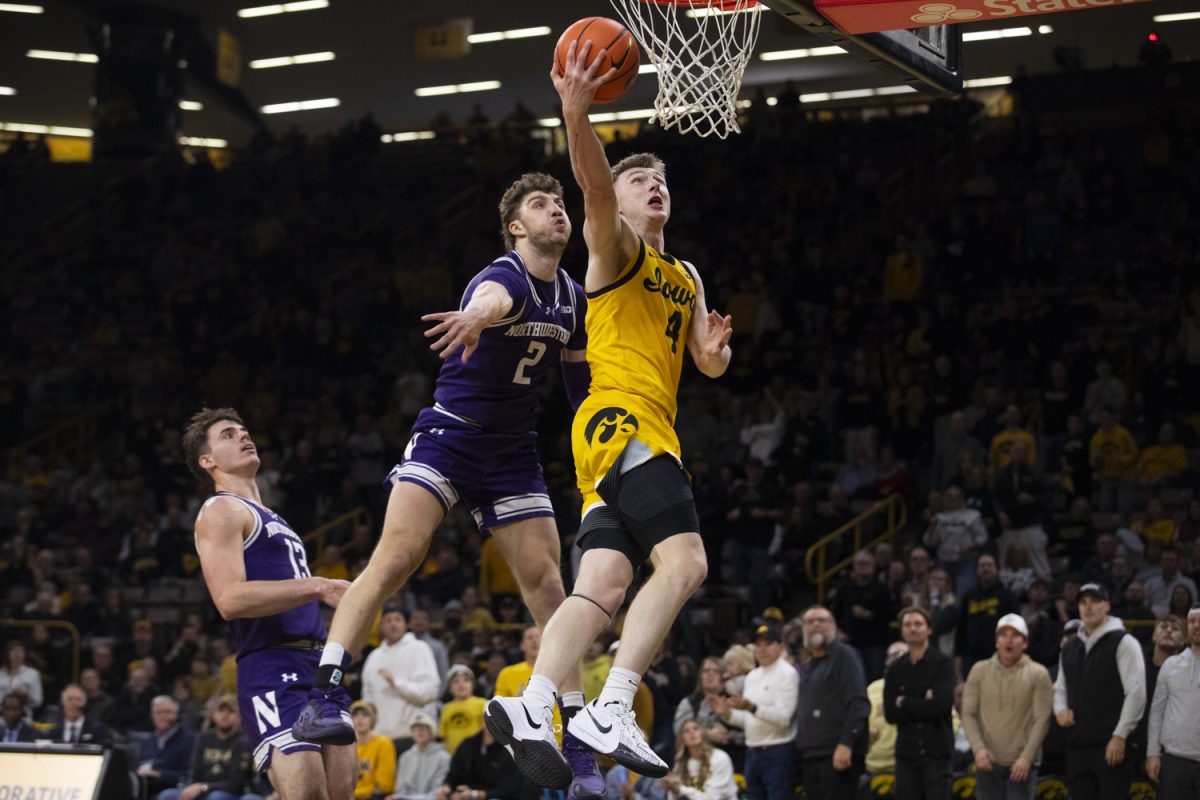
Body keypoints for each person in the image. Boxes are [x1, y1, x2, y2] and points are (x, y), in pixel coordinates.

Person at [293, 171, 600, 798]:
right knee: (397, 558)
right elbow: (488, 302)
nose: (557, 211)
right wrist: (473, 317)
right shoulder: (504, 277)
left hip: (513, 453)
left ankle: (580, 745)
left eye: (561, 203)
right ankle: (323, 692)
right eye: (542, 205)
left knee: (549, 588)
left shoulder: (573, 296)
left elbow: (578, 388)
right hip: (451, 435)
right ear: (517, 227)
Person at [485, 36, 732, 788]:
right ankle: (612, 704)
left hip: (632, 432)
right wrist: (577, 115)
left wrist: (714, 354)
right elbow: (591, 187)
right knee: (687, 561)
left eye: (660, 180)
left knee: (602, 588)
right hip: (620, 422)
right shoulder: (613, 248)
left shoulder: (683, 272)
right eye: (638, 180)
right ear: (618, 203)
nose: (653, 186)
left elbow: (704, 361)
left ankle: (533, 701)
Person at [184, 408, 356, 798]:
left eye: (244, 431)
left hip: (316, 665)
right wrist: (317, 587)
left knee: (341, 793)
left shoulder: (274, 516)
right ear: (207, 461)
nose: (243, 437)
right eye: (228, 434)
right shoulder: (221, 509)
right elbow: (229, 599)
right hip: (271, 664)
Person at [1053, 583, 1146, 800]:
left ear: (1107, 606)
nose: (1089, 607)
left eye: (1095, 601)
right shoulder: (1069, 647)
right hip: (1077, 746)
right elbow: (1060, 690)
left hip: (1111, 745)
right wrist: (1060, 710)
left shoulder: (1124, 642)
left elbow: (1136, 693)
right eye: (1083, 602)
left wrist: (1120, 735)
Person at [961, 614, 1053, 800]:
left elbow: (1042, 719)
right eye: (1003, 635)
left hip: (1022, 766)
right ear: (996, 642)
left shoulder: (1039, 673)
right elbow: (968, 713)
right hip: (987, 762)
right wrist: (978, 749)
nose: (1008, 640)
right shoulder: (979, 670)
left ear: (1025, 643)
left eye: (1015, 635)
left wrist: (1027, 757)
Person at [711, 625, 797, 800]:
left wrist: (751, 707)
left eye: (768, 644)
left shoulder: (788, 674)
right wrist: (727, 714)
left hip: (778, 751)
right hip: (752, 751)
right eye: (758, 644)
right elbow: (749, 721)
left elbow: (784, 718)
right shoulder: (753, 676)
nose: (762, 649)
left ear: (780, 647)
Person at [794, 606, 870, 800]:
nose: (816, 625)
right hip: (812, 756)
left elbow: (858, 703)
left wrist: (846, 744)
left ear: (833, 627)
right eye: (810, 622)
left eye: (822, 620)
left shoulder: (844, 655)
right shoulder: (808, 666)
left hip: (837, 754)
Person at [884, 608, 955, 800]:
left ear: (929, 629)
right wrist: (923, 700)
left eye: (918, 624)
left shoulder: (943, 663)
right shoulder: (894, 669)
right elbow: (890, 714)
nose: (912, 629)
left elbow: (940, 707)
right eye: (907, 625)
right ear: (901, 631)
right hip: (906, 754)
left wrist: (904, 701)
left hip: (937, 752)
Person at [361, 606, 439, 752]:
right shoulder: (373, 657)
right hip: (379, 740)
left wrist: (396, 683)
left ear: (406, 624)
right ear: (381, 627)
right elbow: (368, 701)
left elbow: (430, 692)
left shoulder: (419, 649)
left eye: (398, 619)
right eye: (388, 620)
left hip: (412, 739)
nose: (393, 624)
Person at [1145, 605, 1200, 799]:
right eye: (1192, 621)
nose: (1197, 626)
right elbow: (1157, 712)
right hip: (1174, 759)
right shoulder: (1170, 665)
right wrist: (1152, 752)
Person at [156, 696, 257, 800]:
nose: (225, 715)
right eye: (221, 711)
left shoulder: (244, 741)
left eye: (231, 712)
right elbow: (194, 773)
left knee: (216, 797)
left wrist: (203, 787)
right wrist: (194, 788)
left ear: (239, 717)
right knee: (167, 795)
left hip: (229, 794)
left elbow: (235, 785)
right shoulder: (204, 738)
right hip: (202, 790)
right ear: (213, 715)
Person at [658, 719, 738, 800]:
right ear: (682, 739)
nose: (692, 732)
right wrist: (673, 788)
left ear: (703, 733)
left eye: (696, 728)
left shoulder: (720, 758)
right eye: (686, 731)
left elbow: (712, 798)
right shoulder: (680, 763)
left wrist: (680, 788)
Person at [137, 696, 197, 797]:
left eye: (167, 712)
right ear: (152, 715)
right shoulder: (148, 740)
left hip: (172, 790)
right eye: (158, 712)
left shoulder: (189, 740)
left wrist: (159, 774)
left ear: (177, 715)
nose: (163, 716)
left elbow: (188, 776)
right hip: (146, 787)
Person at [866, 642, 909, 777]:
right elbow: (858, 719)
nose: (895, 658)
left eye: (901, 654)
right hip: (874, 765)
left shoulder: (923, 683)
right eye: (891, 655)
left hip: (910, 764)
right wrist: (863, 733)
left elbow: (952, 721)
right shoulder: (873, 688)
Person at [390, 712, 450, 800]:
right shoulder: (405, 757)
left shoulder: (443, 757)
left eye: (424, 728)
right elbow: (400, 790)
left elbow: (438, 793)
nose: (419, 731)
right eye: (415, 728)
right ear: (411, 733)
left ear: (431, 731)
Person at [351, 701, 396, 800]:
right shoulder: (347, 747)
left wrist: (354, 794)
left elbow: (384, 786)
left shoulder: (384, 743)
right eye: (355, 715)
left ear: (373, 720)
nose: (360, 718)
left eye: (365, 715)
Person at [440, 665, 486, 756]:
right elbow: (443, 736)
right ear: (449, 688)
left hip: (475, 755)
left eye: (466, 680)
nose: (461, 684)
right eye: (456, 682)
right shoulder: (446, 708)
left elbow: (485, 732)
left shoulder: (482, 704)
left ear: (473, 685)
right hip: (453, 756)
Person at [47, 682, 111, 745]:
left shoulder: (97, 729)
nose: (74, 703)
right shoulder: (51, 729)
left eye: (78, 699)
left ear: (85, 703)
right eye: (70, 699)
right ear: (62, 702)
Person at [0, 640, 43, 714]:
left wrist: (25, 696)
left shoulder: (33, 673)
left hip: (23, 716)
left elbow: (38, 701)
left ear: (25, 654)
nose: (17, 653)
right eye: (13, 650)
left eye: (20, 650)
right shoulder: (1, 674)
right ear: (8, 654)